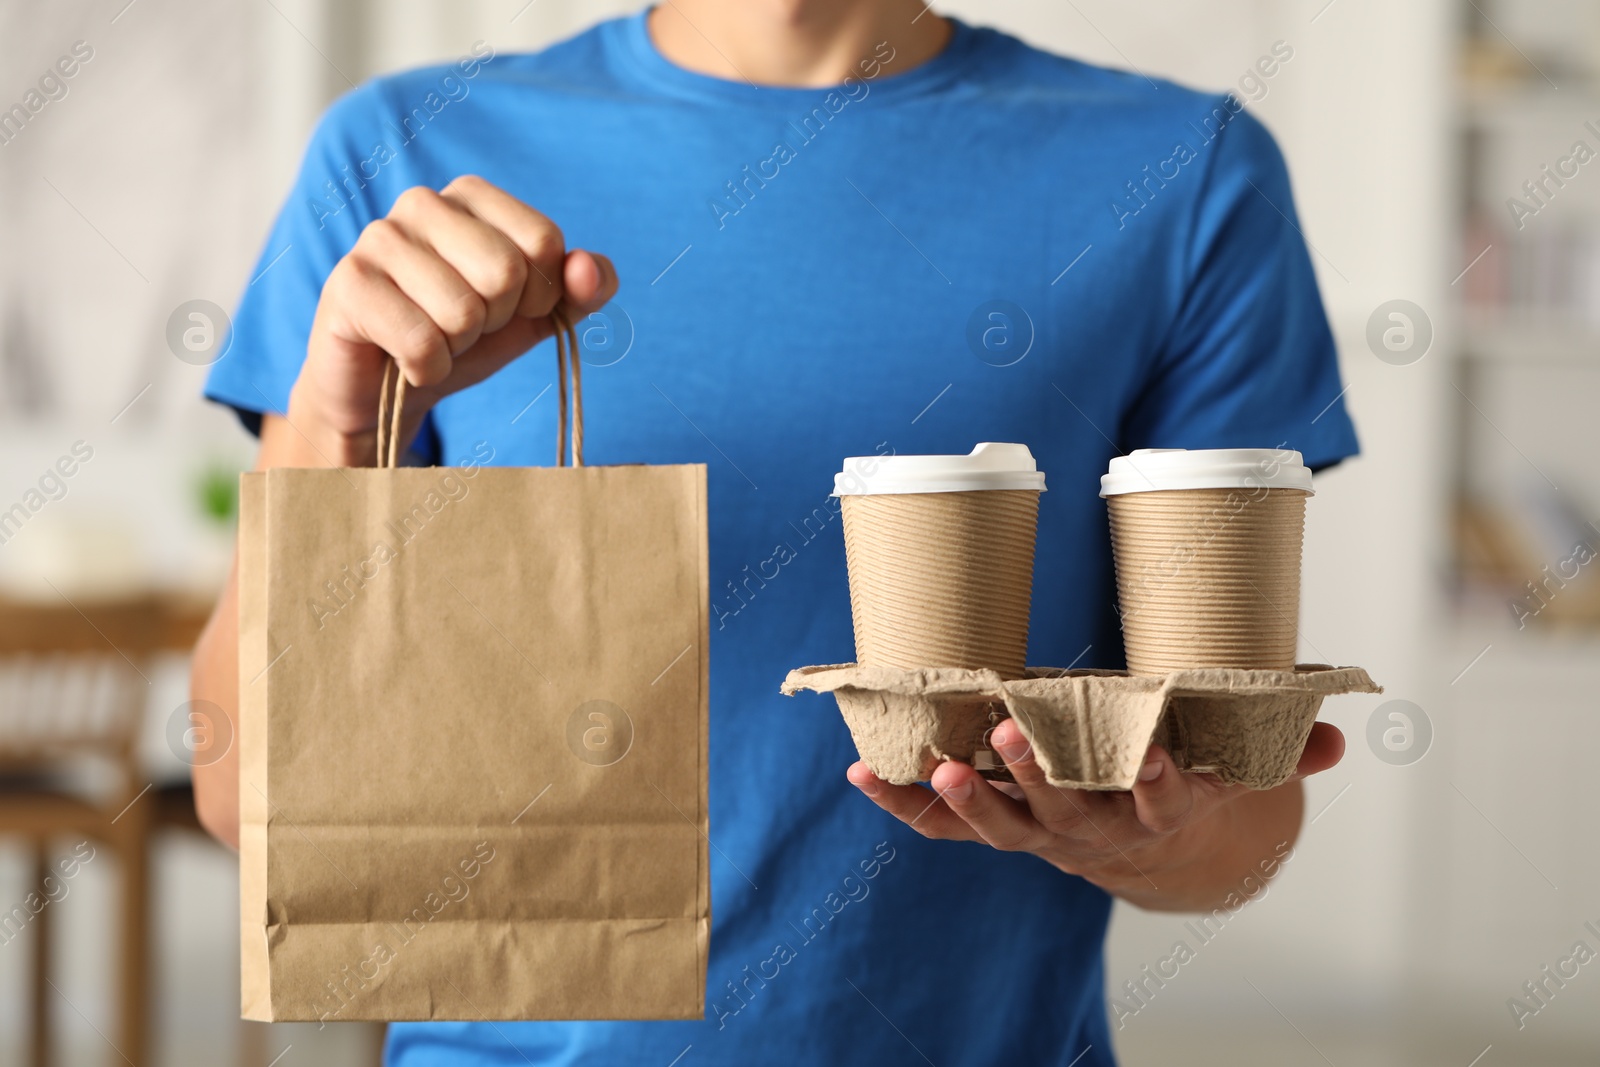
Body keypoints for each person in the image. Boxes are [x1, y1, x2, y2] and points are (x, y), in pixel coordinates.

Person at [190, 2, 1357, 1063]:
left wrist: (1137, 836)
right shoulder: (407, 160)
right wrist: (335, 438)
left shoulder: (1185, 173)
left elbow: (1247, 827)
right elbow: (247, 802)